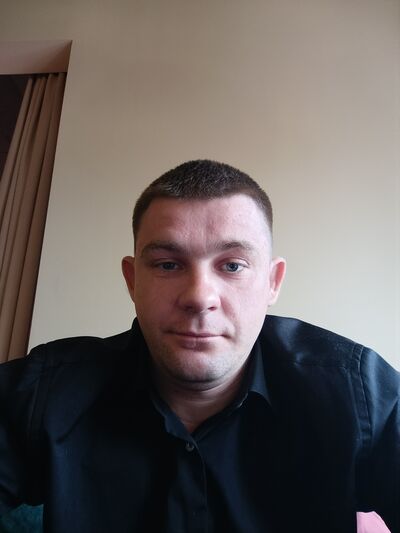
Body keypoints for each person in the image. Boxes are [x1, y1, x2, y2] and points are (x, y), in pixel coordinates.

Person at [0, 159, 398, 533]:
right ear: (133, 281)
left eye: (232, 265)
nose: (199, 296)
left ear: (272, 282)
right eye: (168, 264)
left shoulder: (359, 394)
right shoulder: (46, 393)